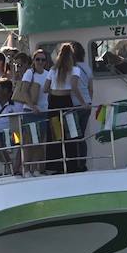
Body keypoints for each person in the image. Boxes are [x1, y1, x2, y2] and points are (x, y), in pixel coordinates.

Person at [44, 43, 88, 173]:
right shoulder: (75, 70)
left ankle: (56, 166)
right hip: (67, 102)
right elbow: (74, 88)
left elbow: (45, 89)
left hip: (54, 102)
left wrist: (55, 90)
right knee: (71, 133)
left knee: (56, 134)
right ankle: (72, 165)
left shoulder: (52, 70)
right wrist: (83, 103)